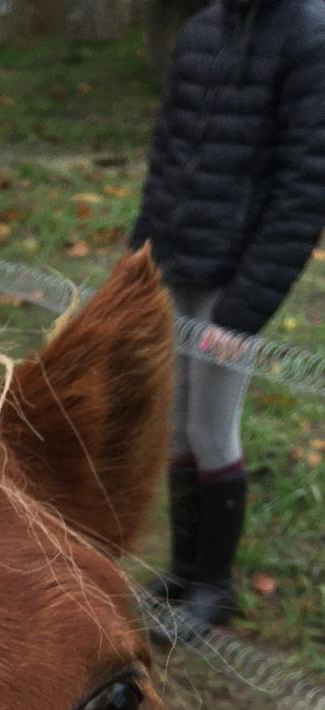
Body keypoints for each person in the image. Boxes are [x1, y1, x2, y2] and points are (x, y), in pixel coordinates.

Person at [130, 0, 325, 637]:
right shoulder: (201, 30)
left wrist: (241, 313)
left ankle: (213, 588)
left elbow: (307, 184)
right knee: (177, 427)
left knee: (212, 429)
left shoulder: (308, 33)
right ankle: (182, 572)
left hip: (232, 281)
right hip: (174, 261)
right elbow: (168, 148)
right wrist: (139, 258)